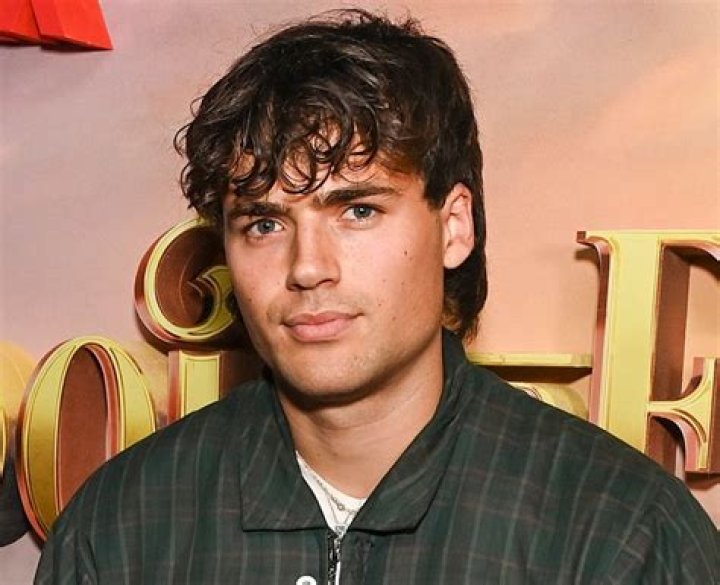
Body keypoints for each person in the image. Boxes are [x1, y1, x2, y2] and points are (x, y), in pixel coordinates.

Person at [35, 9, 718, 584]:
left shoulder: (619, 533)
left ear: (454, 226)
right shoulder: (124, 527)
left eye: (357, 211)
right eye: (264, 223)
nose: (307, 268)